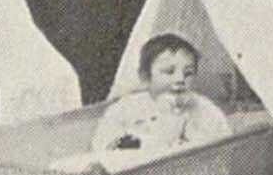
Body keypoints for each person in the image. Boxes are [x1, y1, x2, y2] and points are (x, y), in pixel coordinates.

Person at [89, 32, 231, 154]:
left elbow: (223, 144)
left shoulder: (205, 110)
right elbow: (103, 143)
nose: (180, 79)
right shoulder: (126, 108)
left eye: (188, 73)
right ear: (145, 77)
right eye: (169, 72)